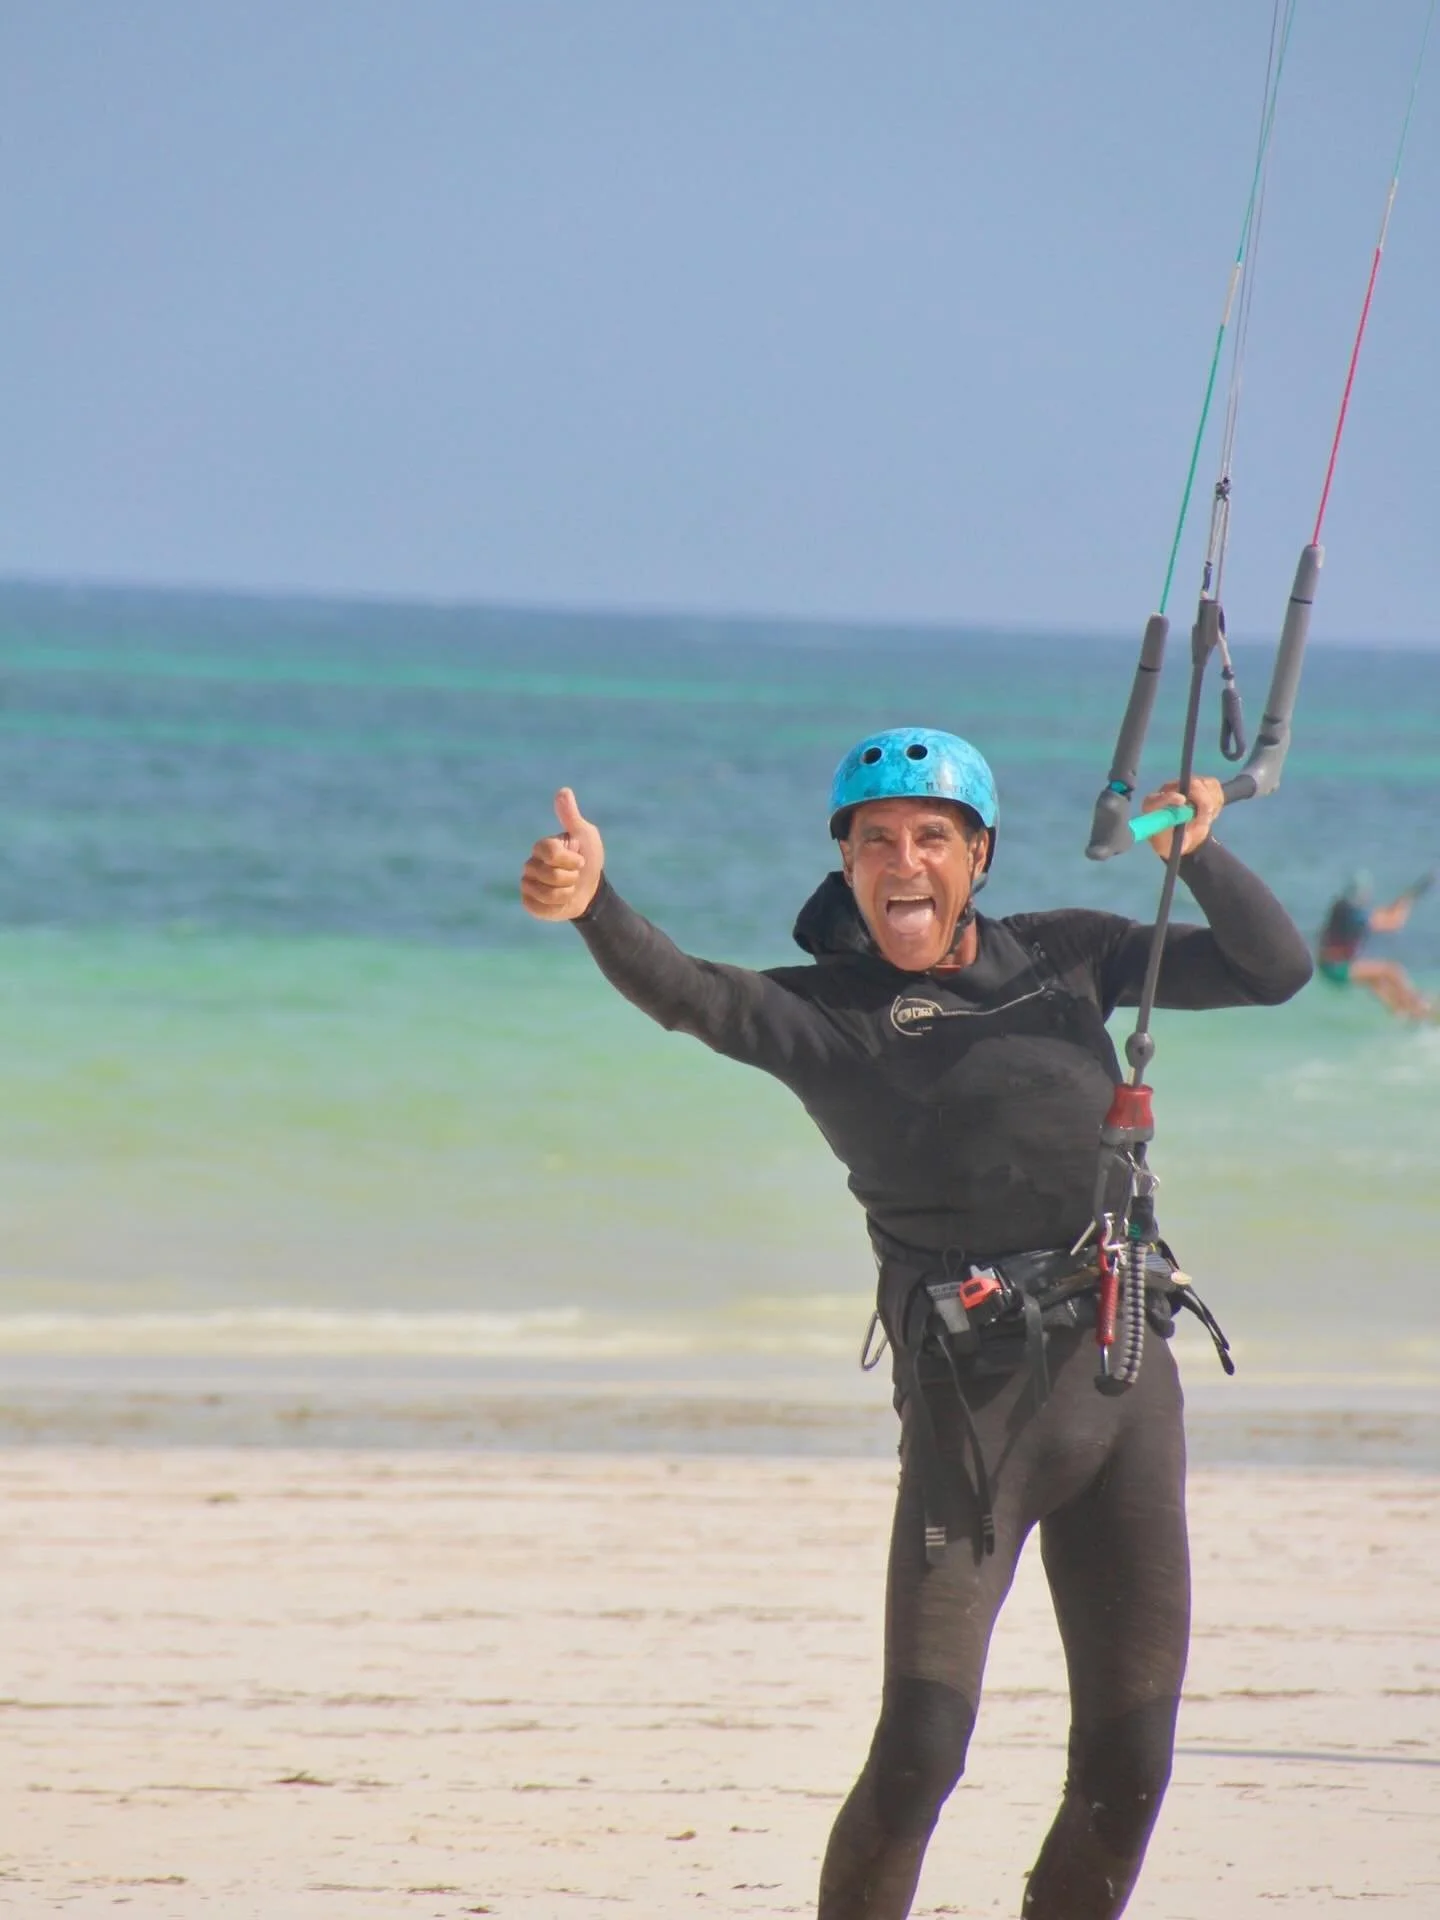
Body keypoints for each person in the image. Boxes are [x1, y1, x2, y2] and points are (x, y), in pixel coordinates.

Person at [519, 728, 1312, 1920]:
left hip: (1124, 1367)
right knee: (922, 1752)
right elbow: (687, 991)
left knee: (1132, 1762)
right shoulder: (827, 1016)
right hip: (973, 1403)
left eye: (931, 836)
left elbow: (1274, 969)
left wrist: (1198, 851)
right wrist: (593, 903)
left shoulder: (1069, 958)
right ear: (843, 863)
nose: (904, 859)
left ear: (978, 856)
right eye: (874, 838)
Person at [1316, 871, 1434, 1020]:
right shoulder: (1353, 914)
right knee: (1391, 971)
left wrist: (1404, 899)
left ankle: (1404, 1013)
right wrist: (1409, 899)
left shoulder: (1344, 908)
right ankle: (1418, 1006)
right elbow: (1392, 923)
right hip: (1337, 967)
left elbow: (1384, 913)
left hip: (1330, 966)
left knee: (1378, 982)